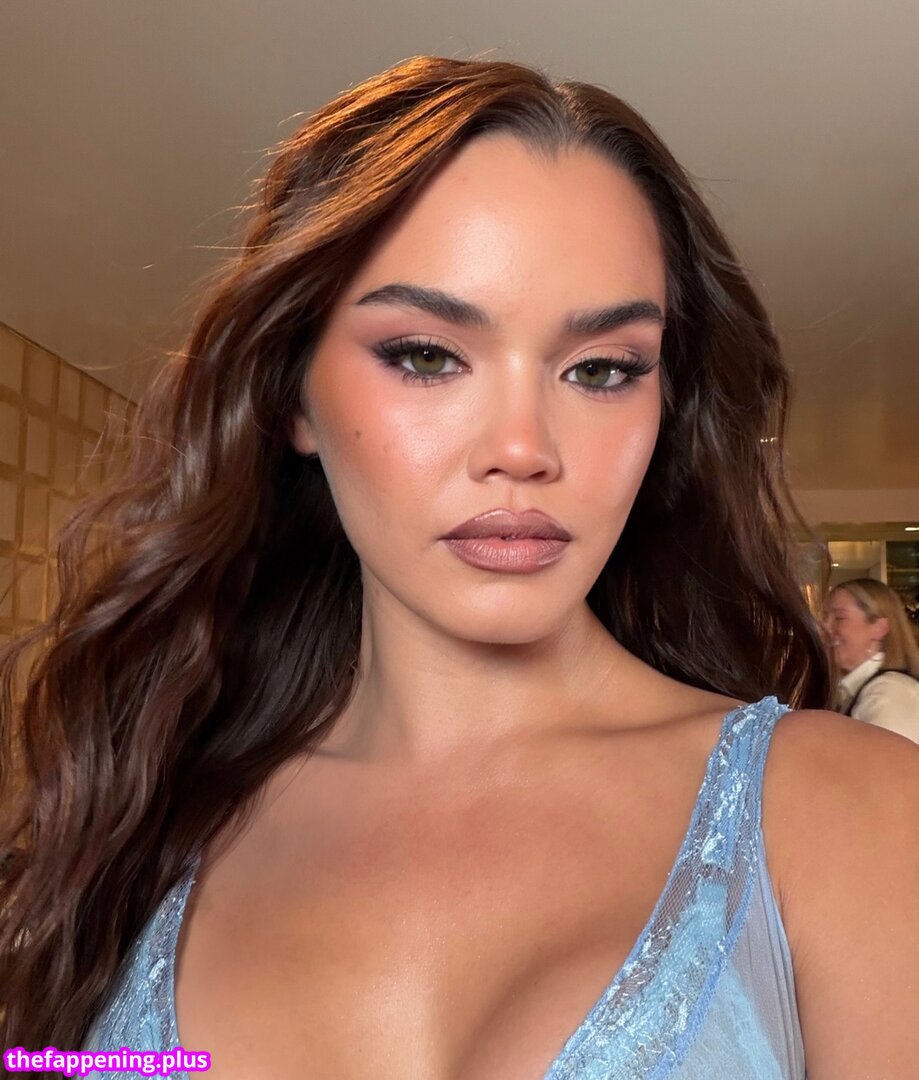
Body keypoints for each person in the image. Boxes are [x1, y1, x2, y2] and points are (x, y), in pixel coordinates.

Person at [1, 55, 918, 1080]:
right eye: (427, 355)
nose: (522, 449)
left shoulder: (856, 818)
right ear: (292, 394)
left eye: (600, 369)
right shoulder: (143, 818)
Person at [824, 577, 919, 743]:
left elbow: (890, 759)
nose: (825, 627)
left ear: (879, 628)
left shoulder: (888, 694)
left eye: (839, 618)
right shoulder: (857, 691)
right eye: (825, 617)